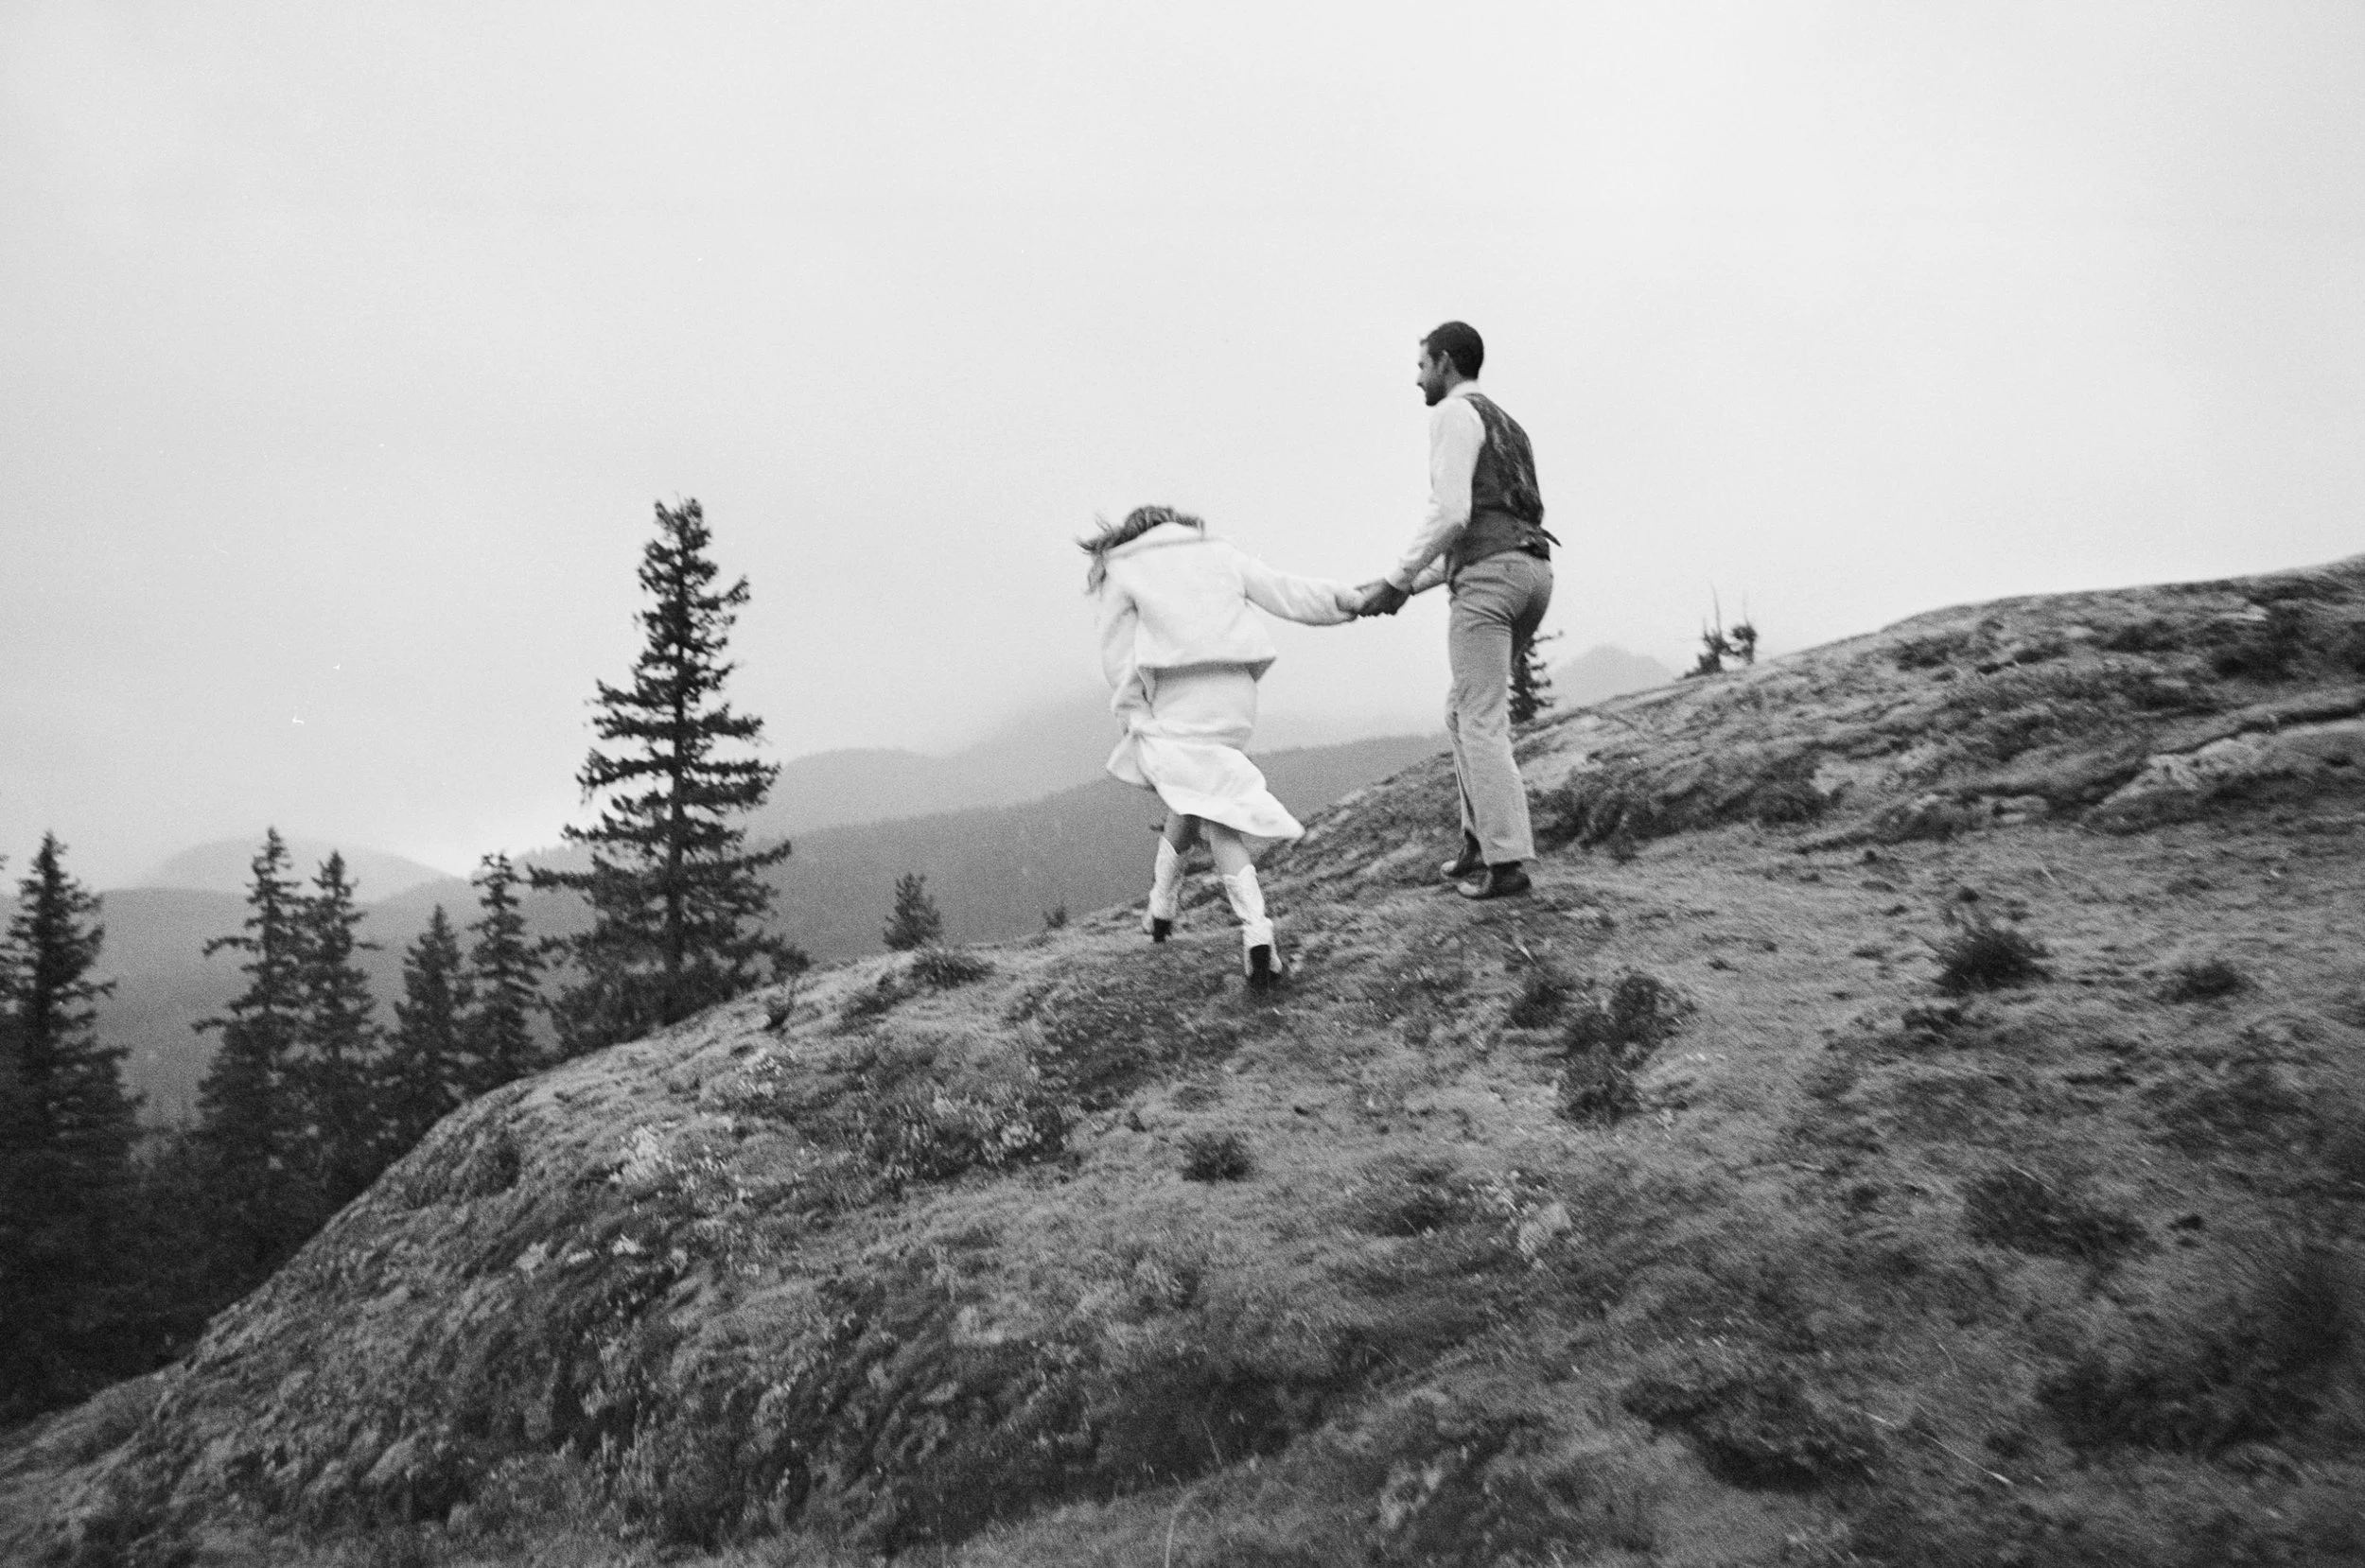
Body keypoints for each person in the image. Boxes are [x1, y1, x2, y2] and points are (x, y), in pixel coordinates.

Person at [1087, 504, 1363, 986]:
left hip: (1178, 698)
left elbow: (1118, 658)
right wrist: (1349, 600)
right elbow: (1287, 592)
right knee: (1194, 793)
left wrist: (1134, 716)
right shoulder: (1218, 553)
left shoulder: (1123, 567)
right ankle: (1161, 909)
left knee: (1217, 817)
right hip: (1236, 699)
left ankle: (1257, 930)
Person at [1356, 321, 1555, 900]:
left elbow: (1452, 515)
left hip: (1491, 581)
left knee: (1480, 717)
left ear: (1445, 363)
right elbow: (1486, 527)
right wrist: (1401, 585)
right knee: (1462, 709)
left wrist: (1394, 581)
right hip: (1532, 572)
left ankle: (1508, 862)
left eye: (1421, 365)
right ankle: (1478, 841)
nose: (1417, 377)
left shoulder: (1449, 415)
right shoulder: (1506, 424)